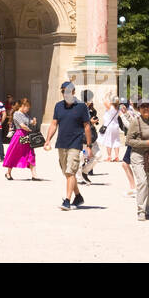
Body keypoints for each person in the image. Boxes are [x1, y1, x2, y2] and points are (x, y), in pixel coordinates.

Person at [43, 81, 93, 211]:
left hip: (75, 143)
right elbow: (54, 124)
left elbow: (87, 126)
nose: (65, 93)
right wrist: (48, 139)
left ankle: (67, 200)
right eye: (63, 91)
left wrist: (89, 145)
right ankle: (78, 196)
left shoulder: (82, 107)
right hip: (61, 143)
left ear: (73, 92)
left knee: (71, 172)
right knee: (67, 173)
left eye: (68, 91)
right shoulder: (58, 106)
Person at [125, 98, 149, 221]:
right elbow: (128, 141)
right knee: (142, 181)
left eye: (148, 106)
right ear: (139, 109)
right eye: (143, 107)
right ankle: (140, 211)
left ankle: (148, 211)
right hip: (138, 155)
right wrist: (145, 143)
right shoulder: (135, 122)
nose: (146, 109)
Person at [1, 97, 39, 180]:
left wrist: (34, 121)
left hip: (26, 135)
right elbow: (22, 125)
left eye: (29, 108)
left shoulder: (25, 114)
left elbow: (30, 122)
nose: (28, 109)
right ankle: (8, 172)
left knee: (31, 153)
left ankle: (34, 175)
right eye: (27, 107)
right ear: (22, 105)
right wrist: (29, 129)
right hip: (20, 135)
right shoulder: (16, 114)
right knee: (15, 153)